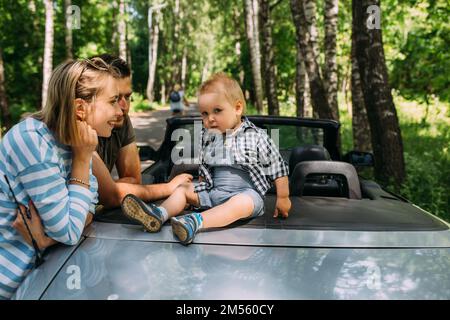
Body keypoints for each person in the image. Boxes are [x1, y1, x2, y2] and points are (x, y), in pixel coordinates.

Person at [0, 58, 123, 299]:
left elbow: (88, 209)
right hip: (15, 286)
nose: (120, 112)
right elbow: (69, 231)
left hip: (49, 271)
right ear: (80, 108)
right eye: (112, 101)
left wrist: (48, 239)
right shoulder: (32, 141)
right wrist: (81, 161)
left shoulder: (76, 142)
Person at [121, 72, 291, 245]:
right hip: (214, 192)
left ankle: (195, 222)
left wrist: (283, 197)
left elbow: (277, 167)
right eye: (204, 113)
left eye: (217, 111)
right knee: (183, 189)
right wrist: (198, 190)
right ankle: (158, 214)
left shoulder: (256, 136)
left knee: (240, 204)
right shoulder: (209, 136)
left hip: (245, 195)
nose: (210, 119)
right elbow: (206, 167)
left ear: (237, 108)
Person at [88, 54, 192, 208]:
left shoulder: (121, 119)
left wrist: (106, 190)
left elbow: (133, 180)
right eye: (114, 99)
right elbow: (111, 195)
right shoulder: (78, 129)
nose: (123, 107)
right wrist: (169, 188)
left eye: (128, 97)